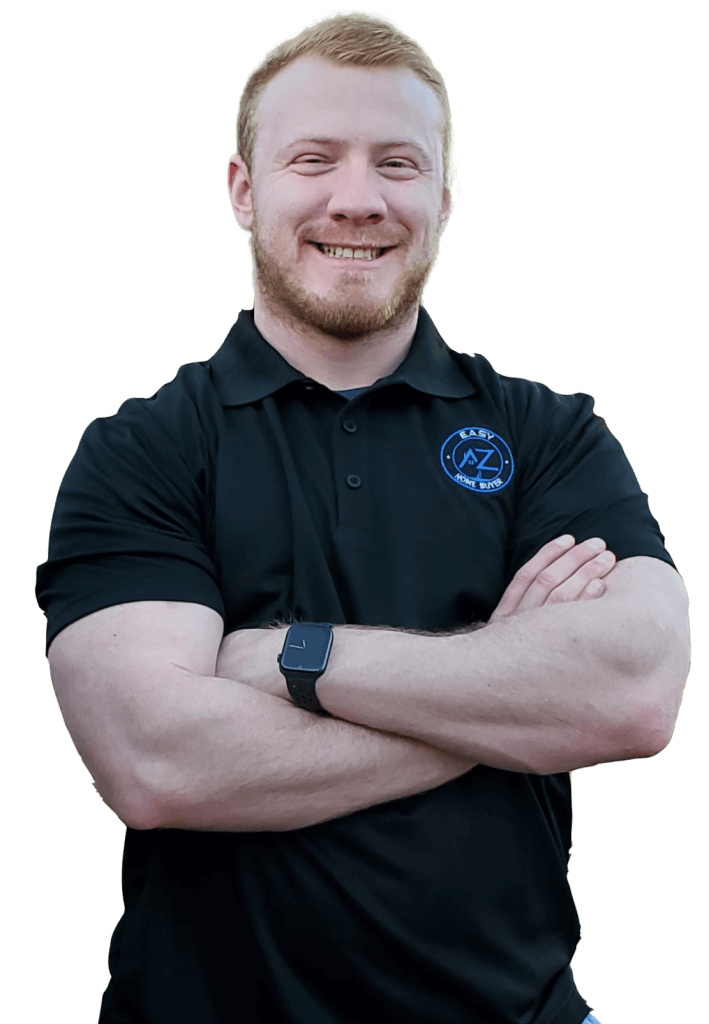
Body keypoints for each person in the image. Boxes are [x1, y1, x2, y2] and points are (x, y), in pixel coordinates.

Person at [36, 13, 689, 1024]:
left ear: (445, 197)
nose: (357, 198)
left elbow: (636, 693)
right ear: (243, 191)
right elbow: (154, 763)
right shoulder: (143, 449)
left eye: (397, 163)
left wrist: (296, 657)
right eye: (314, 160)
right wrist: (509, 705)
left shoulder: (549, 432)